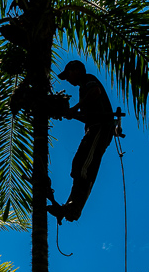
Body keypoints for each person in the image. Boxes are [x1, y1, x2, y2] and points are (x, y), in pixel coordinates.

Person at [47, 60, 114, 224]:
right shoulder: (83, 90)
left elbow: (95, 92)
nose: (68, 79)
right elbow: (88, 117)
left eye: (68, 74)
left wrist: (75, 108)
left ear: (76, 70)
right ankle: (70, 205)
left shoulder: (87, 80)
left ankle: (74, 209)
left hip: (100, 128)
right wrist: (69, 114)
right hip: (94, 127)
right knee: (78, 166)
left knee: (84, 168)